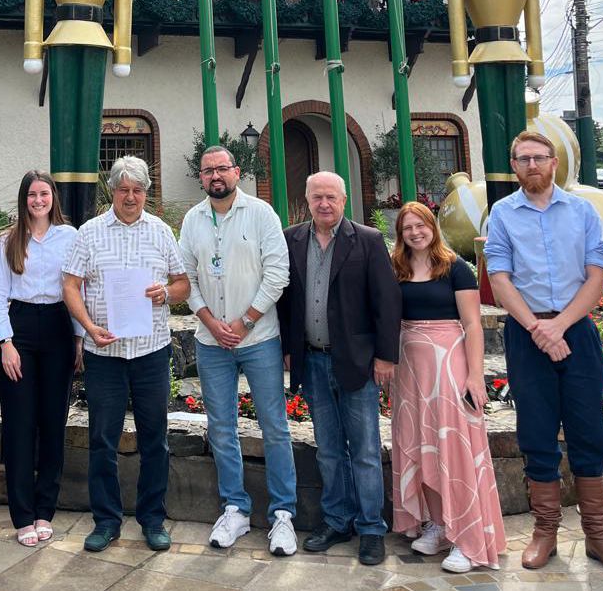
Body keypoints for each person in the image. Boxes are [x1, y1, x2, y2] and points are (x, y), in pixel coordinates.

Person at [485, 131, 603, 572]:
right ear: (514, 165)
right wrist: (538, 329)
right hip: (527, 333)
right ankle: (545, 533)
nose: (532, 165)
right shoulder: (502, 214)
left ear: (554, 162)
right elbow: (500, 278)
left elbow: (596, 275)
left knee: (589, 431)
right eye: (523, 159)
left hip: (576, 330)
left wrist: (558, 326)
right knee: (537, 431)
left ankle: (598, 534)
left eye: (539, 157)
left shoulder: (582, 211)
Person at [63, 156, 190, 553]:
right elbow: (70, 286)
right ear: (112, 191)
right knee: (103, 439)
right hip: (105, 355)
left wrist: (165, 293)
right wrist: (88, 327)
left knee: (155, 439)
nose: (131, 197)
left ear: (146, 193)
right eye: (123, 189)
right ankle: (106, 521)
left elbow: (183, 283)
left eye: (137, 190)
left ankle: (153, 519)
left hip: (151, 352)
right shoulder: (90, 232)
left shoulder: (161, 232)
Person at [178, 146, 298, 555]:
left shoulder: (261, 214)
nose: (215, 176)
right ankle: (235, 508)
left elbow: (278, 273)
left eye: (222, 168)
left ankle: (283, 514)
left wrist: (245, 321)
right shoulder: (192, 220)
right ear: (201, 177)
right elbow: (186, 278)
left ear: (236, 172)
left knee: (274, 426)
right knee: (221, 428)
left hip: (259, 338)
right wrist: (210, 321)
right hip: (211, 342)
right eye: (208, 170)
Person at [277, 171, 401, 566]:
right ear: (307, 200)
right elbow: (285, 301)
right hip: (312, 360)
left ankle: (371, 528)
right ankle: (337, 521)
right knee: (329, 450)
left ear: (344, 201)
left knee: (364, 450)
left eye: (331, 197)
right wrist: (288, 348)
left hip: (356, 362)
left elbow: (387, 302)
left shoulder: (367, 240)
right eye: (317, 197)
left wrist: (386, 357)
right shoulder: (291, 239)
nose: (324, 203)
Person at [390, 201, 506, 573]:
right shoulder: (397, 268)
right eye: (407, 228)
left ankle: (467, 539)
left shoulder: (455, 267)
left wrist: (474, 376)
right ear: (400, 234)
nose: (415, 233)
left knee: (453, 447)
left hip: (449, 365)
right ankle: (439, 525)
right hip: (410, 370)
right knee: (419, 445)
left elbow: (472, 325)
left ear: (433, 226)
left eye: (420, 225)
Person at [0, 170, 83, 547]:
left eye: (44, 193)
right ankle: (23, 514)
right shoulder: (9, 239)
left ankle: (45, 509)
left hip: (60, 326)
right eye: (32, 194)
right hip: (21, 329)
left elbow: (78, 289)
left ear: (53, 197)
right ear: (24, 199)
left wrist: (79, 338)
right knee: (19, 425)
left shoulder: (71, 237)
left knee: (52, 422)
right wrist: (6, 343)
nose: (38, 200)